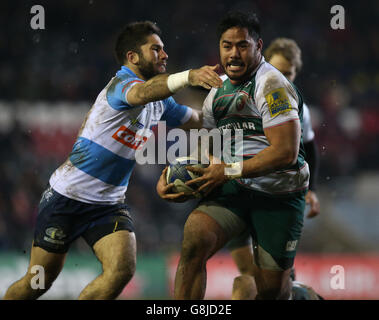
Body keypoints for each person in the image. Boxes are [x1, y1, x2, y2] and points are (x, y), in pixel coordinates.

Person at [3, 21, 222, 300]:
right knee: (38, 282)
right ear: (132, 57)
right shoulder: (121, 86)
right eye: (156, 49)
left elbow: (197, 120)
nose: (165, 55)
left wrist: (231, 113)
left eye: (164, 49)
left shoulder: (160, 102)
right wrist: (188, 76)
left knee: (121, 269)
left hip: (107, 205)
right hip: (67, 197)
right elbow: (142, 93)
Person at [157, 11, 309, 300]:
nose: (234, 54)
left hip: (279, 195)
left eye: (242, 45)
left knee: (270, 292)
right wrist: (172, 175)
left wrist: (227, 170)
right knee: (194, 240)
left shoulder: (272, 86)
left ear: (258, 46)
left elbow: (286, 153)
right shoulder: (217, 93)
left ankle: (301, 295)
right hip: (236, 189)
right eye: (227, 46)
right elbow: (210, 148)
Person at [229, 37, 321, 300]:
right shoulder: (244, 95)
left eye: (289, 73)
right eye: (278, 70)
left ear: (296, 73)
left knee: (261, 284)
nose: (283, 77)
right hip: (239, 194)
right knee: (249, 277)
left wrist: (311, 190)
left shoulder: (297, 110)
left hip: (276, 199)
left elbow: (310, 147)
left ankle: (299, 294)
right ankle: (300, 293)